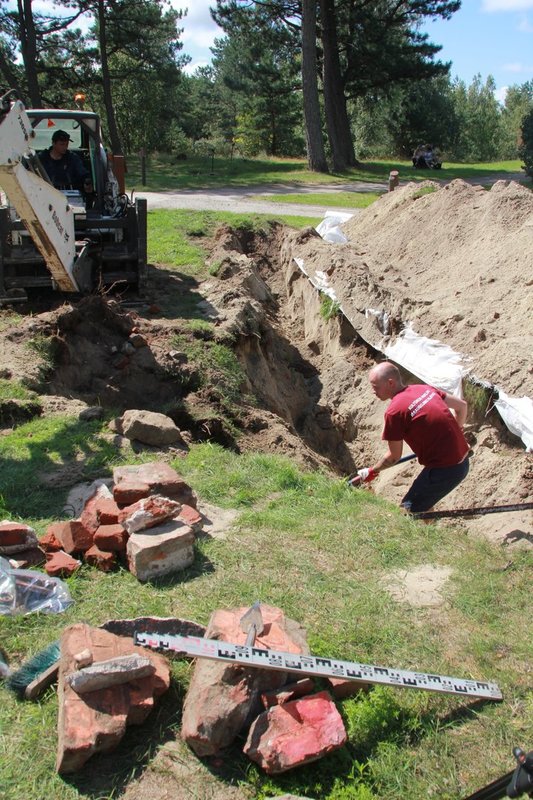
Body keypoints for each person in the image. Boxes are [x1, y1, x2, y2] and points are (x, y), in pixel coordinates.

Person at [357, 361, 469, 513]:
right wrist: (457, 433)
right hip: (463, 462)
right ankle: (428, 529)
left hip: (445, 470)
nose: (373, 391)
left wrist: (373, 470)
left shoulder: (395, 412)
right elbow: (462, 406)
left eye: (375, 387)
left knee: (407, 512)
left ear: (390, 383)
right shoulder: (424, 389)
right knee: (422, 505)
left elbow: (393, 457)